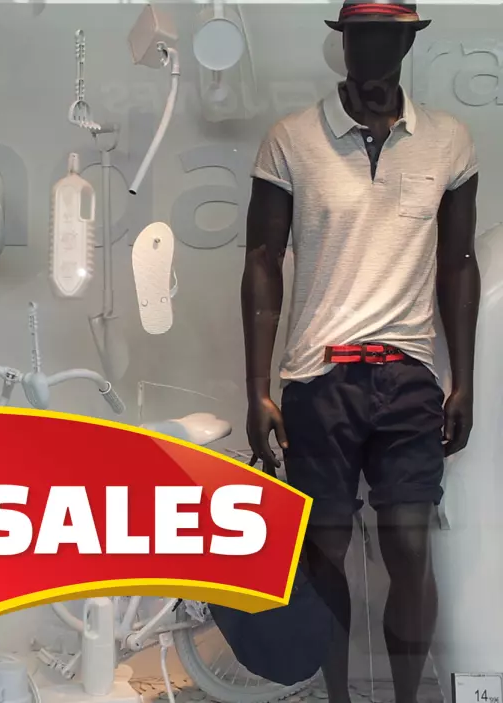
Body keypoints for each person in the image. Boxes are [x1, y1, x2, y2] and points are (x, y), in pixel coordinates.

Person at [241, 2, 479, 703]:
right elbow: (262, 261)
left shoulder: (449, 141)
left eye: (386, 35)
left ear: (407, 42)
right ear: (342, 42)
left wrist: (463, 381)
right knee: (323, 554)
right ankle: (339, 697)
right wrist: (258, 389)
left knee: (412, 548)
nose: (370, 48)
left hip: (408, 376)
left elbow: (458, 263)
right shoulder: (290, 139)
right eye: (359, 34)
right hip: (319, 378)